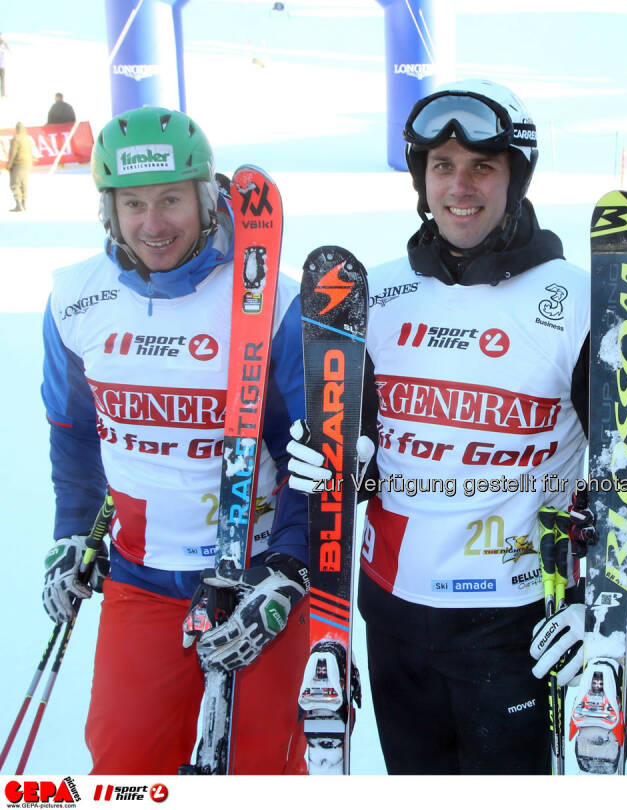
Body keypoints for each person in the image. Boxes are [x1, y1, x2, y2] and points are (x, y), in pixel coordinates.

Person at [287, 78, 595, 774]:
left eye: (482, 166)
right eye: (440, 166)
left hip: (512, 619)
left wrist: (599, 594)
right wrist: (327, 461)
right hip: (392, 612)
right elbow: (360, 457)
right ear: (420, 180)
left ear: (516, 176)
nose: (460, 186)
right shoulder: (375, 295)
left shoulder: (574, 301)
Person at [40, 106, 309, 774]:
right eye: (133, 204)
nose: (153, 224)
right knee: (126, 767)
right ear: (109, 208)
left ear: (206, 198)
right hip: (142, 576)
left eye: (170, 200)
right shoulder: (76, 300)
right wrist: (76, 531)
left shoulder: (273, 302)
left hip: (255, 580)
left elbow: (316, 455)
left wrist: (288, 568)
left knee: (261, 770)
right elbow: (73, 434)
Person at [6, 121, 33, 212]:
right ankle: (24, 204)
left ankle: (18, 204)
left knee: (15, 183)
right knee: (24, 184)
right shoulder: (27, 139)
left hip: (18, 164)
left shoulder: (16, 139)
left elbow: (13, 153)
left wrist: (10, 164)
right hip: (27, 163)